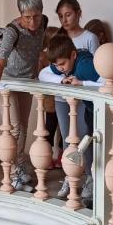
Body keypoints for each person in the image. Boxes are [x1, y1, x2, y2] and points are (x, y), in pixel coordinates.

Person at [0, 0, 48, 190]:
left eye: (36, 16)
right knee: (13, 127)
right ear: (20, 14)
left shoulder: (44, 23)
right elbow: (3, 55)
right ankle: (12, 173)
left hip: (27, 81)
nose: (32, 21)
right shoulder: (12, 30)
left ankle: (20, 166)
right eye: (27, 17)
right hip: (6, 82)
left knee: (23, 125)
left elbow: (41, 49)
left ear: (41, 13)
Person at [41, 34, 102, 205]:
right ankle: (72, 175)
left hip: (97, 110)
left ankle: (91, 180)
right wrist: (61, 79)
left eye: (62, 64)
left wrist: (82, 84)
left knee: (91, 144)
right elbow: (42, 74)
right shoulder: (60, 66)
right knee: (75, 140)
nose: (59, 68)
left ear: (73, 55)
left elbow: (108, 81)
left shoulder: (85, 66)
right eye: (56, 65)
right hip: (86, 108)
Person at [40, 26, 64, 168]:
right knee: (50, 127)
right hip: (50, 100)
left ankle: (60, 154)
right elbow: (41, 75)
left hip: (62, 98)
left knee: (63, 129)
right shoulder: (43, 56)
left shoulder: (59, 55)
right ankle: (47, 155)